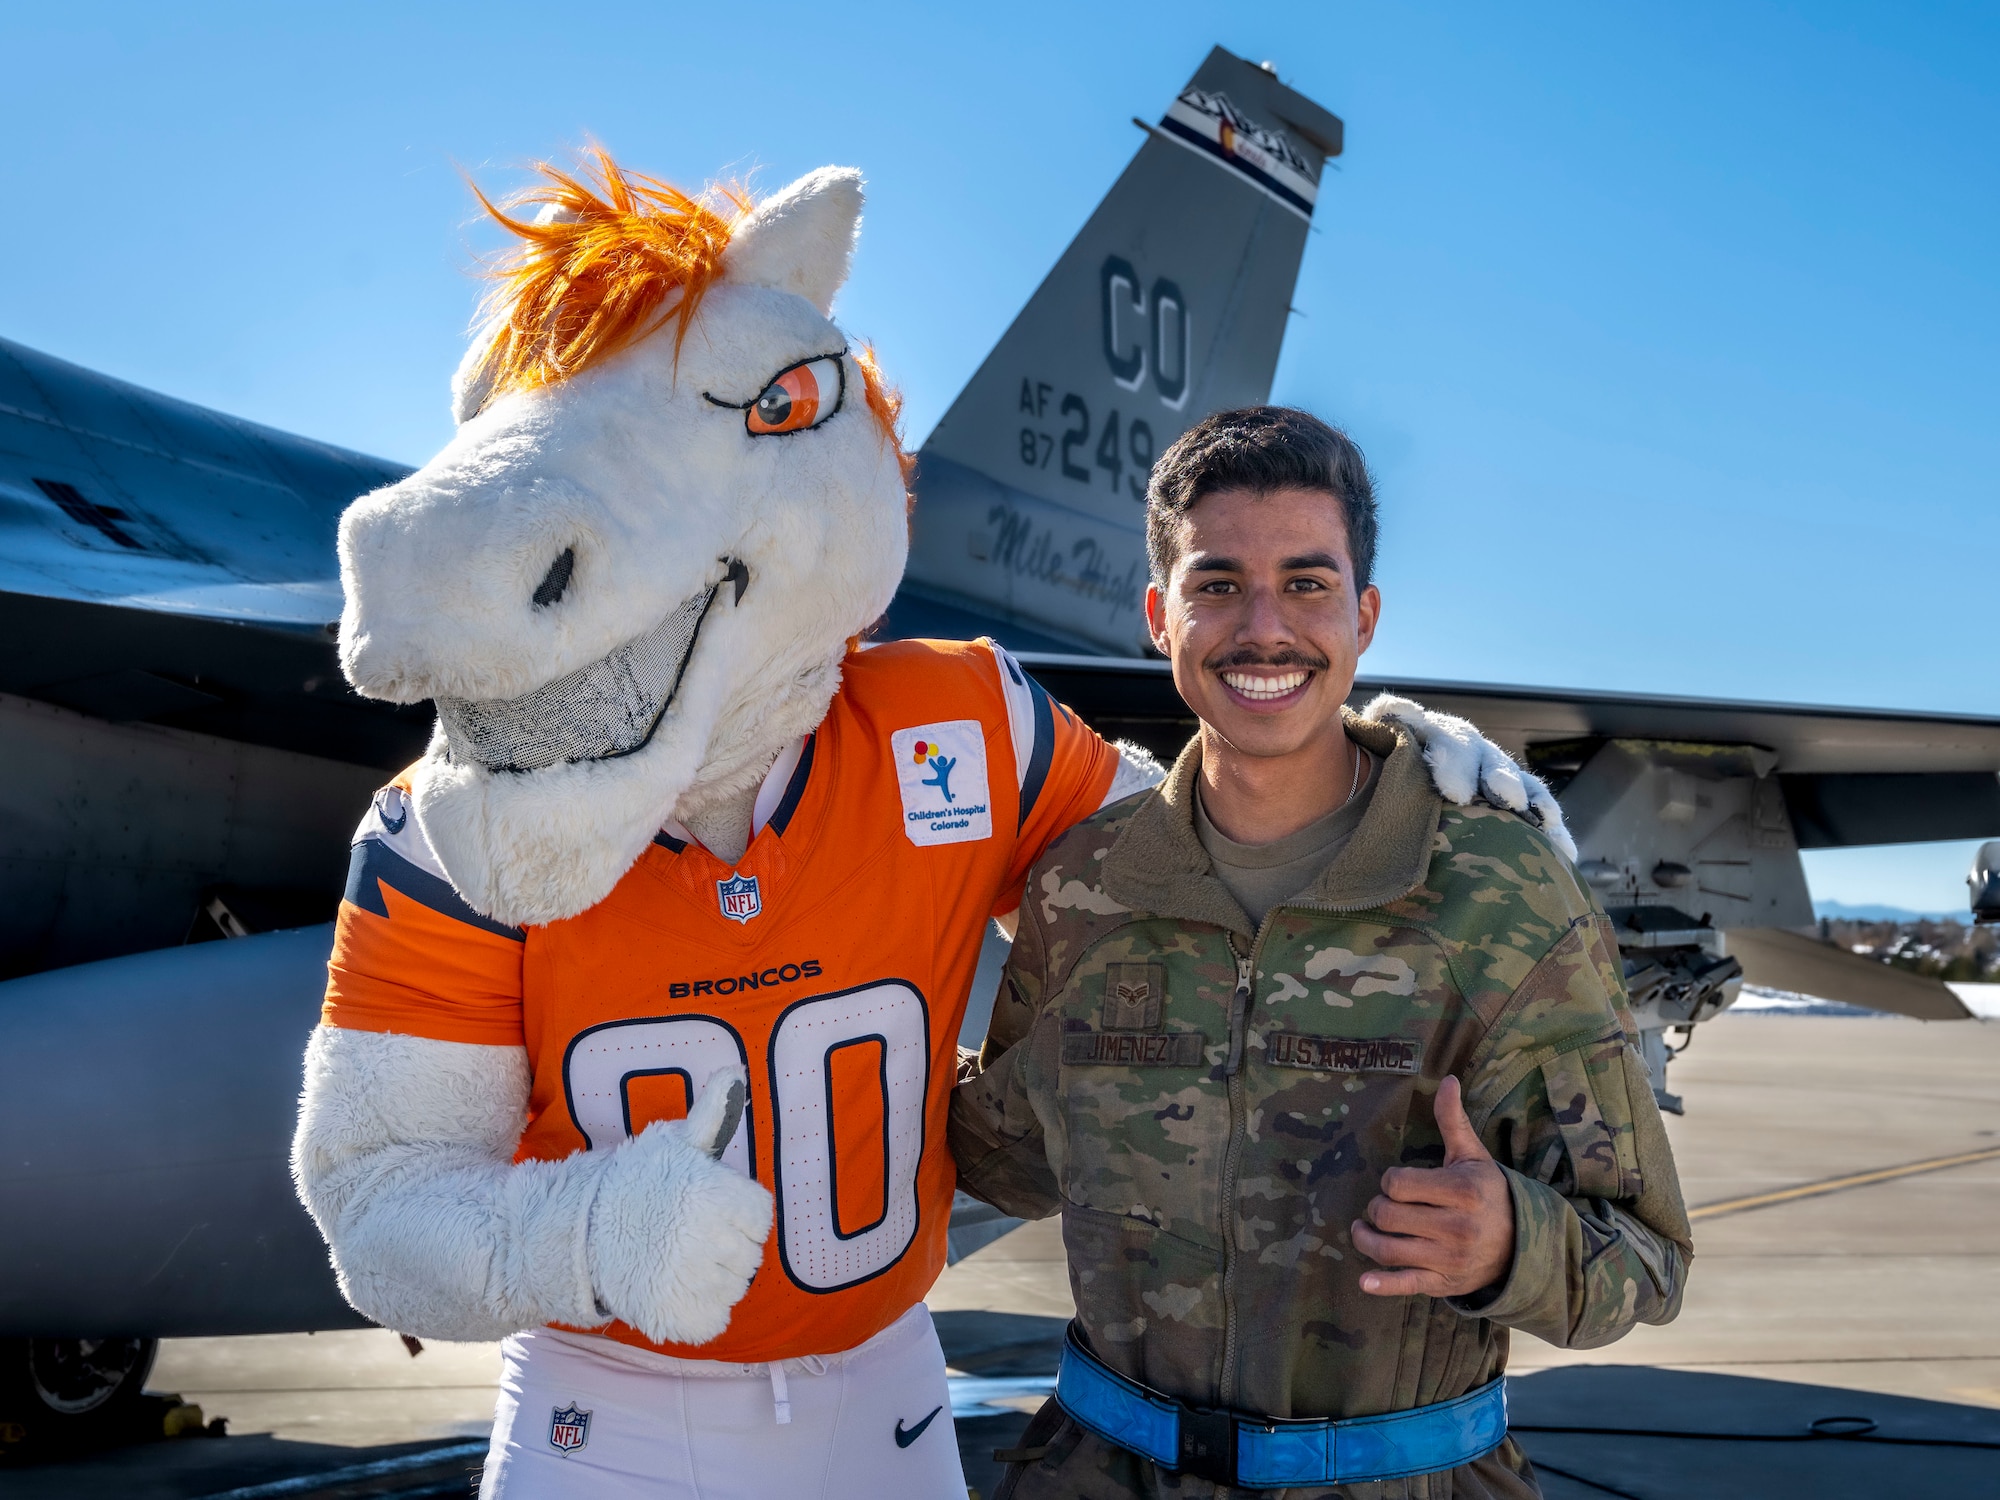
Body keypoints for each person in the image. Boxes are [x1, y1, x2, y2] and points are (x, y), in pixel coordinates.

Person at [290, 158, 1556, 1500]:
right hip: (610, 1418)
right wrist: (585, 1232)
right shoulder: (445, 834)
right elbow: (381, 1203)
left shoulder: (958, 726)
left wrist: (1366, 765)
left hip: (888, 1409)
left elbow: (1193, 852)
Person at [950, 406, 1692, 1499]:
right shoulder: (1082, 886)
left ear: (1363, 614)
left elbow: (1645, 1262)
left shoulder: (1498, 892)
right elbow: (999, 1165)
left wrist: (1505, 1245)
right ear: (1160, 615)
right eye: (1215, 585)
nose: (1262, 628)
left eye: (1306, 583)